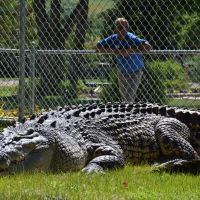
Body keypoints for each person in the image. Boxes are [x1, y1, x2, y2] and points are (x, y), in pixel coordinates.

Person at [95, 17, 152, 102]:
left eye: (126, 27)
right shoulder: (113, 38)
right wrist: (114, 51)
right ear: (116, 28)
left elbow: (148, 46)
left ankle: (129, 112)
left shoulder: (131, 37)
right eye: (120, 27)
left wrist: (130, 50)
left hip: (135, 71)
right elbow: (97, 47)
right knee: (124, 96)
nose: (123, 30)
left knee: (129, 95)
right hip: (122, 71)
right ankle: (129, 112)